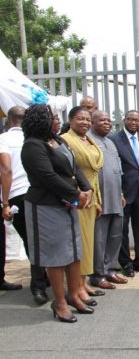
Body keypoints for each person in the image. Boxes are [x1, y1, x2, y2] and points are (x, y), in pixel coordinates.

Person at [21, 104, 94, 322]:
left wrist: (87, 188)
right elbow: (48, 177)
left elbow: (74, 168)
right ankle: (59, 302)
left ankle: (73, 295)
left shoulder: (59, 140)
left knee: (73, 252)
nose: (57, 120)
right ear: (40, 121)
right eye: (53, 117)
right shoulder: (32, 146)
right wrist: (76, 195)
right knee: (55, 256)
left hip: (67, 205)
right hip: (46, 206)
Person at [0, 106, 47, 301]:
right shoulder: (37, 139)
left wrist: (4, 203)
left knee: (31, 241)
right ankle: (44, 278)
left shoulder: (3, 139)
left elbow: (6, 170)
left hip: (18, 195)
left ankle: (38, 285)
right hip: (41, 192)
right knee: (41, 239)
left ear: (9, 120)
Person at [61, 106, 105, 305]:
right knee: (80, 243)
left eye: (88, 119)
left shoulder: (88, 139)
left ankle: (83, 282)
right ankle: (76, 288)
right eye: (81, 119)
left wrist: (98, 199)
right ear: (71, 120)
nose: (85, 122)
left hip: (92, 196)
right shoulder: (65, 140)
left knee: (88, 244)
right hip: (77, 198)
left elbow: (95, 172)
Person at [110, 110, 139, 276]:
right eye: (130, 120)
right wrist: (118, 191)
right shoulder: (114, 140)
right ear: (124, 120)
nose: (134, 123)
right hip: (123, 193)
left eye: (137, 120)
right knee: (122, 230)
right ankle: (126, 263)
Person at [88, 110, 127, 289]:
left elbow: (117, 169)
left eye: (109, 121)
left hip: (115, 197)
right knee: (100, 237)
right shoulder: (88, 141)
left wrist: (120, 194)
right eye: (102, 120)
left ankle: (110, 269)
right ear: (92, 122)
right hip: (99, 199)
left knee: (115, 235)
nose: (107, 123)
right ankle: (98, 274)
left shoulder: (110, 142)